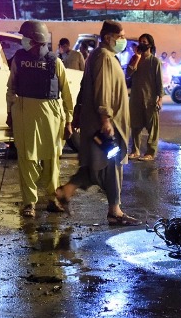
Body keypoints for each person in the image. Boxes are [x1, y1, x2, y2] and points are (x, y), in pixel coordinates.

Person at [55, 20, 140, 226]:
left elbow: (85, 87)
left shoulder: (103, 56)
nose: (123, 40)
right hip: (106, 125)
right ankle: (114, 211)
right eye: (121, 36)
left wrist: (79, 114)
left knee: (97, 166)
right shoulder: (104, 57)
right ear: (109, 37)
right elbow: (103, 89)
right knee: (110, 164)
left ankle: (65, 192)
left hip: (103, 122)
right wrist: (106, 118)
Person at [6, 20, 74, 218]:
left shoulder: (55, 61)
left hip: (50, 115)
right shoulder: (19, 59)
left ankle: (53, 199)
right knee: (27, 160)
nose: (23, 41)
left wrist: (69, 120)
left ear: (36, 40)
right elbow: (11, 88)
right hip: (24, 113)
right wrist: (9, 113)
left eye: (26, 38)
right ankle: (29, 203)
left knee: (51, 160)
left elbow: (66, 94)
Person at [128, 33, 163, 161]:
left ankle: (150, 152)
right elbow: (129, 73)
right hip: (136, 98)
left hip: (150, 99)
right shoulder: (135, 58)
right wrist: (137, 57)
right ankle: (135, 150)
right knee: (135, 126)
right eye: (140, 41)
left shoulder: (155, 61)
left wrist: (160, 98)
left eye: (144, 41)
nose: (141, 43)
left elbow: (159, 82)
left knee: (152, 127)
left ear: (150, 44)